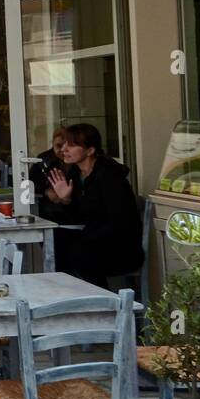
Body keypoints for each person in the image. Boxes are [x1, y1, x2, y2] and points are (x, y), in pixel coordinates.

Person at [45, 123, 144, 288]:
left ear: (90, 151)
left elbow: (119, 222)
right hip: (94, 240)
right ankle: (73, 299)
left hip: (121, 247)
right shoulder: (76, 174)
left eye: (72, 144)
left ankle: (102, 305)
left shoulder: (109, 177)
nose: (64, 149)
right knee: (57, 243)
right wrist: (66, 199)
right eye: (64, 144)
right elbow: (80, 215)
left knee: (80, 253)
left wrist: (85, 237)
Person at [29, 126, 78, 223]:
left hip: (74, 208)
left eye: (68, 146)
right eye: (59, 146)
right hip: (47, 207)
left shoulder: (77, 161)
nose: (63, 150)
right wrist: (46, 191)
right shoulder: (44, 159)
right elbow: (30, 183)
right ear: (52, 144)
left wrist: (67, 197)